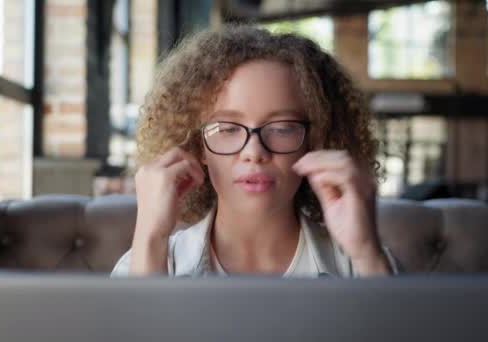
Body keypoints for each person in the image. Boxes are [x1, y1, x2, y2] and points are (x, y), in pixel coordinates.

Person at [111, 25, 400, 278]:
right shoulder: (139, 265)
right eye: (227, 128)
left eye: (282, 127)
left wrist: (365, 252)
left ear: (316, 140)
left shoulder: (365, 266)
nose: (254, 152)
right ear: (198, 146)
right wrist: (150, 238)